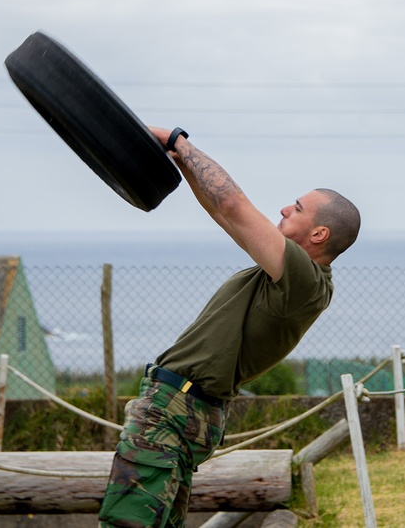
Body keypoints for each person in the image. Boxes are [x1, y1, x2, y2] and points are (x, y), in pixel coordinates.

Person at [98, 126, 360, 528]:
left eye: (297, 208)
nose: (285, 209)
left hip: (176, 408)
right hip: (185, 408)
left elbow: (234, 205)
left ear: (318, 234)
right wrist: (181, 161)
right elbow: (222, 211)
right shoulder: (288, 276)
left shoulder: (304, 281)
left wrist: (177, 140)